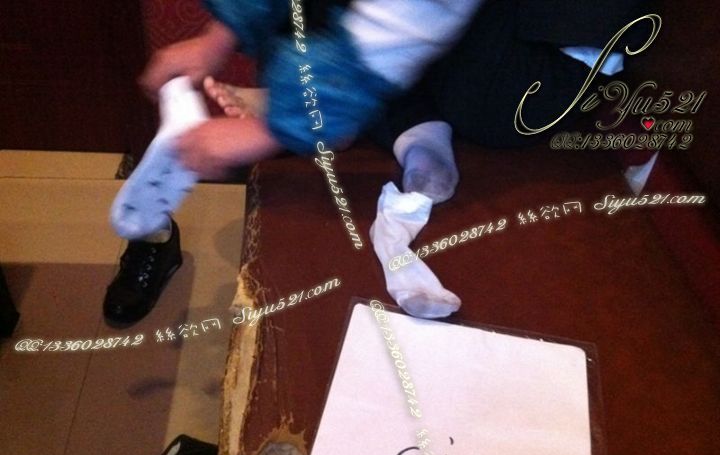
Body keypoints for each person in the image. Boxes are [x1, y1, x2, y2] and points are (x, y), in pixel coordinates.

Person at [104, 0, 653, 323]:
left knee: (465, 97)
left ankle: (341, 111)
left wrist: (272, 129)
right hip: (461, 30)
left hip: (538, 67)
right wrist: (217, 37)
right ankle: (407, 130)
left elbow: (415, 16)